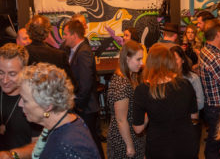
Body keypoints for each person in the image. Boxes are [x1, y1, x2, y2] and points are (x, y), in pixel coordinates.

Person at [18, 63, 100, 158]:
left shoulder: (69, 144)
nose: (20, 104)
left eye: (25, 100)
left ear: (47, 106)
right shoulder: (61, 123)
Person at [133, 45, 198, 158]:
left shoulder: (142, 90)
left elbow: (138, 129)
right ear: (170, 62)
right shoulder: (185, 84)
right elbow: (194, 116)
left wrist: (150, 111)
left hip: (159, 147)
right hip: (186, 145)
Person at [63, 19, 104, 157]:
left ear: (74, 35)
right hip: (83, 105)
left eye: (66, 34)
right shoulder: (75, 50)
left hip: (86, 107)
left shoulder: (83, 52)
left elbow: (86, 83)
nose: (64, 37)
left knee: (92, 140)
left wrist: (78, 104)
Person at [0, 43, 41, 159]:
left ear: (24, 71)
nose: (5, 80)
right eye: (1, 72)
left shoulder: (35, 101)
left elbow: (39, 144)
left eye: (12, 74)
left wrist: (13, 155)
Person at [107, 41, 145, 159]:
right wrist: (129, 145)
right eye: (138, 59)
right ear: (127, 59)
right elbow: (121, 119)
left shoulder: (131, 75)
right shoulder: (122, 84)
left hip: (131, 132)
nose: (142, 63)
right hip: (123, 137)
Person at [198, 18, 220, 159]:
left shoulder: (206, 50)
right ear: (217, 34)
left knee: (214, 141)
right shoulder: (215, 57)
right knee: (216, 144)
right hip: (218, 107)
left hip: (210, 105)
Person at [170, 45, 204, 157]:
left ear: (183, 60)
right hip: (172, 125)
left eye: (175, 59)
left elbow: (200, 103)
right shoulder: (166, 79)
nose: (173, 62)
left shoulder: (193, 78)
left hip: (190, 124)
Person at [25, 15, 74, 89]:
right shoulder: (59, 55)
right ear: (48, 31)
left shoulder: (22, 53)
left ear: (28, 31)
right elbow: (71, 84)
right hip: (53, 97)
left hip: (30, 97)